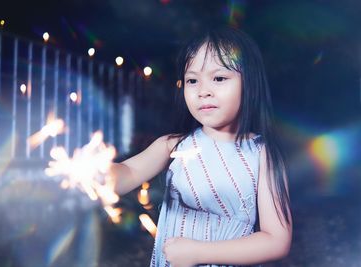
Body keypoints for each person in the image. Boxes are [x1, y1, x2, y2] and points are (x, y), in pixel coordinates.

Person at [112, 26, 292, 267]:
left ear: (248, 83)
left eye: (219, 78)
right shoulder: (173, 145)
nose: (203, 91)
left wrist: (198, 253)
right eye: (192, 80)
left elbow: (276, 241)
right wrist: (90, 172)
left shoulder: (261, 154)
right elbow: (128, 173)